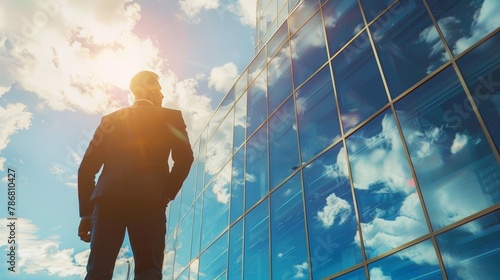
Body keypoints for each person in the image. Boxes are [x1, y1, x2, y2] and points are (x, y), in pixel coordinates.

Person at [77, 70, 194, 279]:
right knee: (148, 269)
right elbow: (185, 158)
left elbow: (86, 168)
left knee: (98, 271)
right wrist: (166, 192)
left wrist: (87, 214)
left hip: (106, 202)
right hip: (150, 200)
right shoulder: (170, 117)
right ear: (148, 86)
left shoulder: (109, 121)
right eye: (159, 89)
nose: (162, 95)